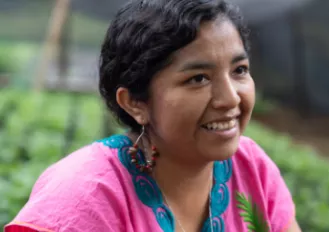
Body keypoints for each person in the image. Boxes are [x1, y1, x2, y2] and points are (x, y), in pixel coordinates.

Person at [5, 0, 301, 231]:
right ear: (135, 102)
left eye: (239, 71)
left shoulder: (252, 169)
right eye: (198, 78)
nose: (230, 98)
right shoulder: (84, 196)